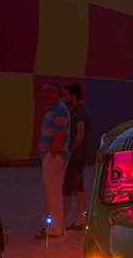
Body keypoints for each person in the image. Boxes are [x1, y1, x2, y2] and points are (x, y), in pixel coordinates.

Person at [37, 80, 69, 239]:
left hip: (54, 157)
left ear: (57, 93)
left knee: (53, 193)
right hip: (51, 156)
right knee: (52, 193)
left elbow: (59, 136)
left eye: (48, 90)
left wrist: (51, 156)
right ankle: (57, 228)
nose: (45, 94)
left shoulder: (59, 110)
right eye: (44, 90)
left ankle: (55, 229)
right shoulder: (53, 109)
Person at [61, 84, 92, 230]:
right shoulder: (79, 112)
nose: (64, 98)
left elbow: (80, 136)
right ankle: (81, 219)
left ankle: (59, 223)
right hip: (80, 155)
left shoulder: (80, 113)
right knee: (78, 187)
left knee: (67, 187)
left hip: (77, 156)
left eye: (66, 95)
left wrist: (70, 152)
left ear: (74, 97)